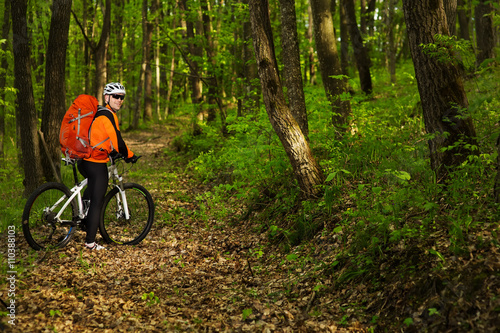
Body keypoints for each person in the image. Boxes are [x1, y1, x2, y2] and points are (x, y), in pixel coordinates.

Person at [78, 82, 138, 250]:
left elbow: (102, 138)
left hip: (84, 160)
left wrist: (112, 152)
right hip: (95, 162)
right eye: (116, 96)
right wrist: (129, 155)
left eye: (122, 97)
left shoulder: (97, 112)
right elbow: (118, 141)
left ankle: (83, 219)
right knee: (98, 201)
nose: (120, 100)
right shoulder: (109, 115)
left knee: (92, 188)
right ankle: (90, 243)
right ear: (107, 98)